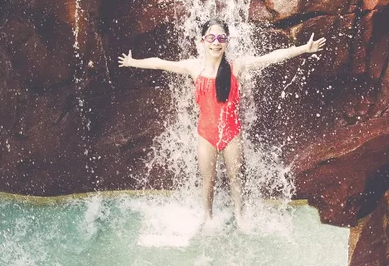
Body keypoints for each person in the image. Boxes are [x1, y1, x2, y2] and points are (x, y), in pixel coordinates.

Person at [118, 18, 326, 229]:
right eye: (211, 37)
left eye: (221, 38)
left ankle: (239, 215)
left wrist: (303, 49)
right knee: (208, 180)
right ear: (202, 41)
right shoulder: (194, 67)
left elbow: (269, 58)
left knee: (237, 178)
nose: (216, 42)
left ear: (227, 41)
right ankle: (208, 217)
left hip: (232, 133)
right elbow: (161, 63)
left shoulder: (236, 67)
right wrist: (133, 62)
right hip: (205, 135)